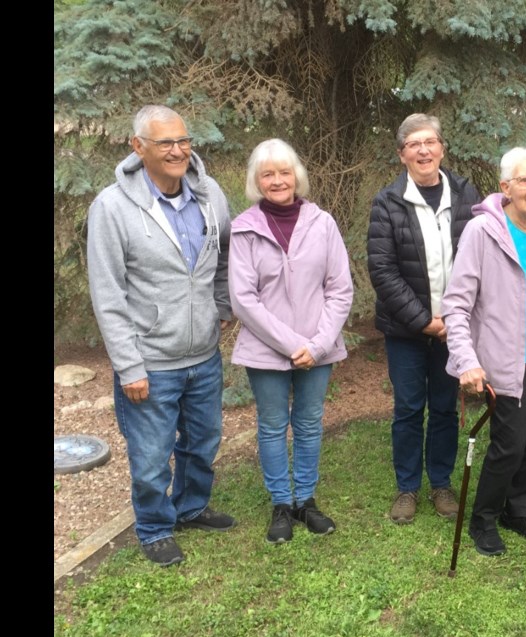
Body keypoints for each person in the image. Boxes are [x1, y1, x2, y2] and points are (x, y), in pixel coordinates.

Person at [87, 105, 234, 567]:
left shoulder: (210, 195)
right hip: (150, 360)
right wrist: (128, 366)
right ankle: (154, 527)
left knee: (203, 442)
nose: (178, 151)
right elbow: (108, 293)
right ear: (138, 147)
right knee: (151, 459)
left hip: (203, 354)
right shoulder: (113, 207)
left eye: (183, 141)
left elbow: (225, 256)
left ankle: (191, 507)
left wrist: (222, 306)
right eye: (165, 143)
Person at [443, 147, 526, 556]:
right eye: (525, 180)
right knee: (509, 446)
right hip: (505, 361)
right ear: (505, 187)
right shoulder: (483, 232)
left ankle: (519, 512)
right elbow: (456, 304)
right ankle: (483, 518)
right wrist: (467, 360)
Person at [229, 139, 354, 543]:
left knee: (309, 422)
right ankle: (281, 504)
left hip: (319, 347)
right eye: (268, 174)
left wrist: (315, 345)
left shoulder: (323, 223)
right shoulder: (245, 228)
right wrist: (290, 344)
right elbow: (243, 299)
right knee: (271, 426)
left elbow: (340, 290)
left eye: (284, 172)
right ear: (257, 181)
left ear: (296, 176)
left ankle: (306, 501)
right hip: (266, 351)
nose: (278, 180)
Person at [367, 114, 483, 524]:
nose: (423, 150)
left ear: (442, 148)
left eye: (430, 142)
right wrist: (424, 321)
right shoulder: (388, 202)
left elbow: (481, 257)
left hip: (456, 329)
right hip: (407, 331)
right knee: (409, 409)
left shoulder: (467, 195)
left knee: (446, 408)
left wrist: (455, 322)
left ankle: (441, 483)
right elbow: (382, 270)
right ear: (402, 155)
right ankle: (407, 488)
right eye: (413, 144)